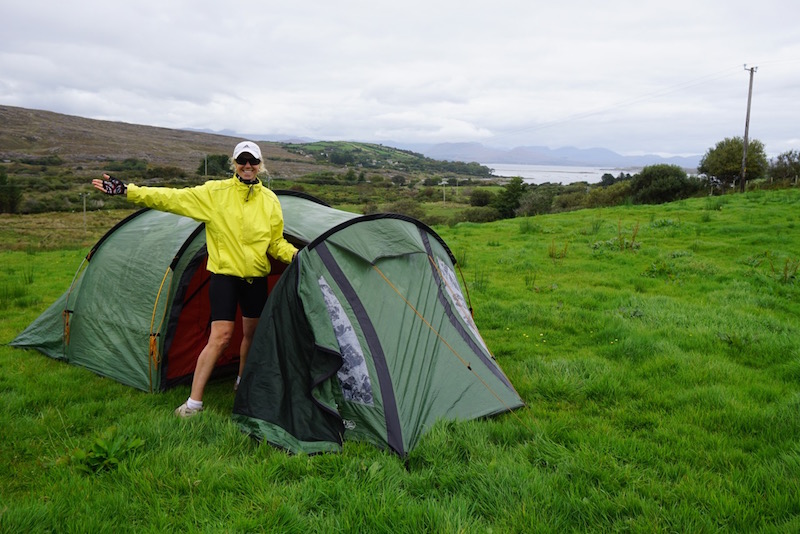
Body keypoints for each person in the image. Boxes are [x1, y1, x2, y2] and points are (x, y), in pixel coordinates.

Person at [92, 141, 298, 418]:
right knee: (222, 337)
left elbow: (274, 243)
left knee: (252, 334)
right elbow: (171, 198)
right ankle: (193, 403)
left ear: (261, 165)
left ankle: (241, 381)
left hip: (255, 278)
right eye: (242, 161)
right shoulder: (215, 193)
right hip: (224, 276)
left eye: (253, 161)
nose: (247, 166)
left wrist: (296, 255)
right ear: (234, 163)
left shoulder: (270, 200)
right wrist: (129, 191)